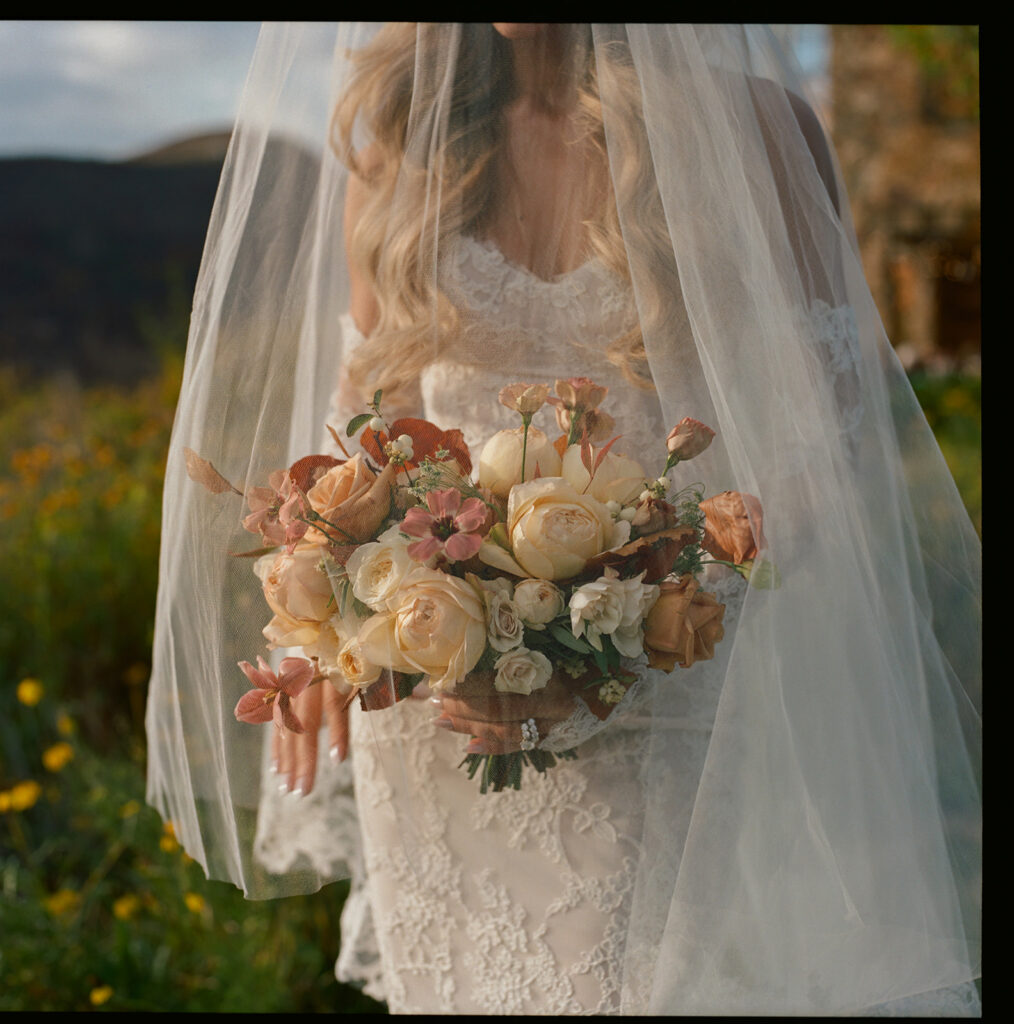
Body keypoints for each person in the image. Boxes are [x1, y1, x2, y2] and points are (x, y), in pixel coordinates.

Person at [146, 23, 981, 1015]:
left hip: (669, 685)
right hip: (434, 708)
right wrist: (327, 621)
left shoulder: (755, 132)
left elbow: (824, 446)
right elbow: (362, 434)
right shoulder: (400, 140)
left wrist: (616, 636)